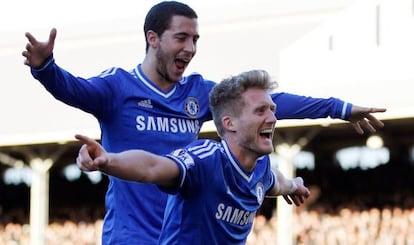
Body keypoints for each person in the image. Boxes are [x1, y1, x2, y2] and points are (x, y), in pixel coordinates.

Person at [22, 1, 385, 244]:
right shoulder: (117, 87)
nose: (191, 48)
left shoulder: (200, 93)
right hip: (132, 237)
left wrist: (338, 107)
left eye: (195, 39)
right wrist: (45, 68)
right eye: (181, 37)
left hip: (183, 235)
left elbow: (262, 104)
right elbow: (71, 89)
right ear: (153, 38)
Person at [76, 69, 311, 244]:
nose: (272, 119)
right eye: (260, 111)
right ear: (230, 123)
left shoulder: (260, 169)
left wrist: (294, 185)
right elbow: (152, 167)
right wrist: (109, 161)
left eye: (272, 110)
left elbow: (275, 181)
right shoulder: (204, 160)